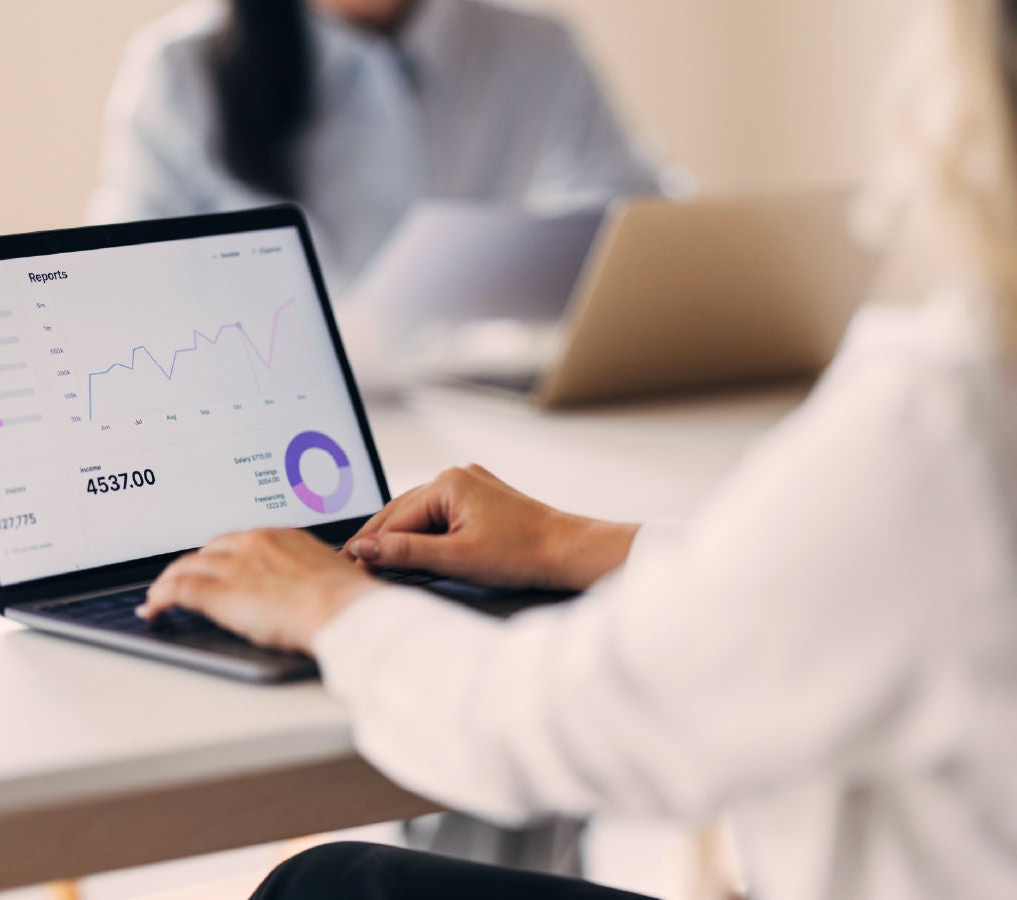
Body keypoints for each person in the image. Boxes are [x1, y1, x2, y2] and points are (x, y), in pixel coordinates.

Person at [136, 0, 1017, 896]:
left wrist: (328, 604)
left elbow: (557, 721)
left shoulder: (951, 418)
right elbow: (847, 586)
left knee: (323, 888)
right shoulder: (180, 74)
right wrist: (571, 543)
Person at [88, 0, 661, 296]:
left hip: (471, 411)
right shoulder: (180, 69)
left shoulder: (536, 48)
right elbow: (125, 286)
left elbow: (644, 228)